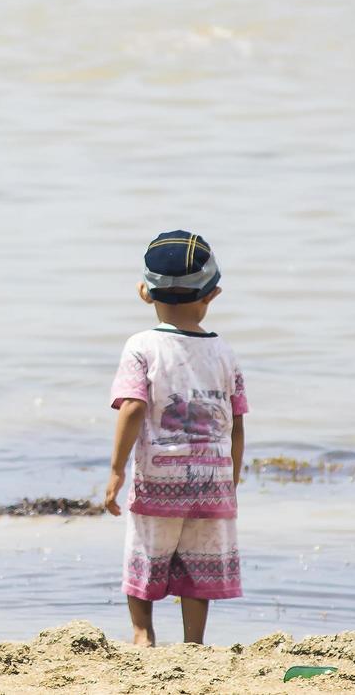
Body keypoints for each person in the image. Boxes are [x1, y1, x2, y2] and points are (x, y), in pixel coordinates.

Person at [103, 231, 247, 646]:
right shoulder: (225, 351)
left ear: (144, 293)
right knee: (199, 562)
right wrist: (231, 477)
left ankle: (142, 633)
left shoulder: (141, 346)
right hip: (212, 478)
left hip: (160, 476)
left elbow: (131, 408)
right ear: (213, 294)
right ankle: (193, 641)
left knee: (146, 551)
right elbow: (236, 421)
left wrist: (115, 471)